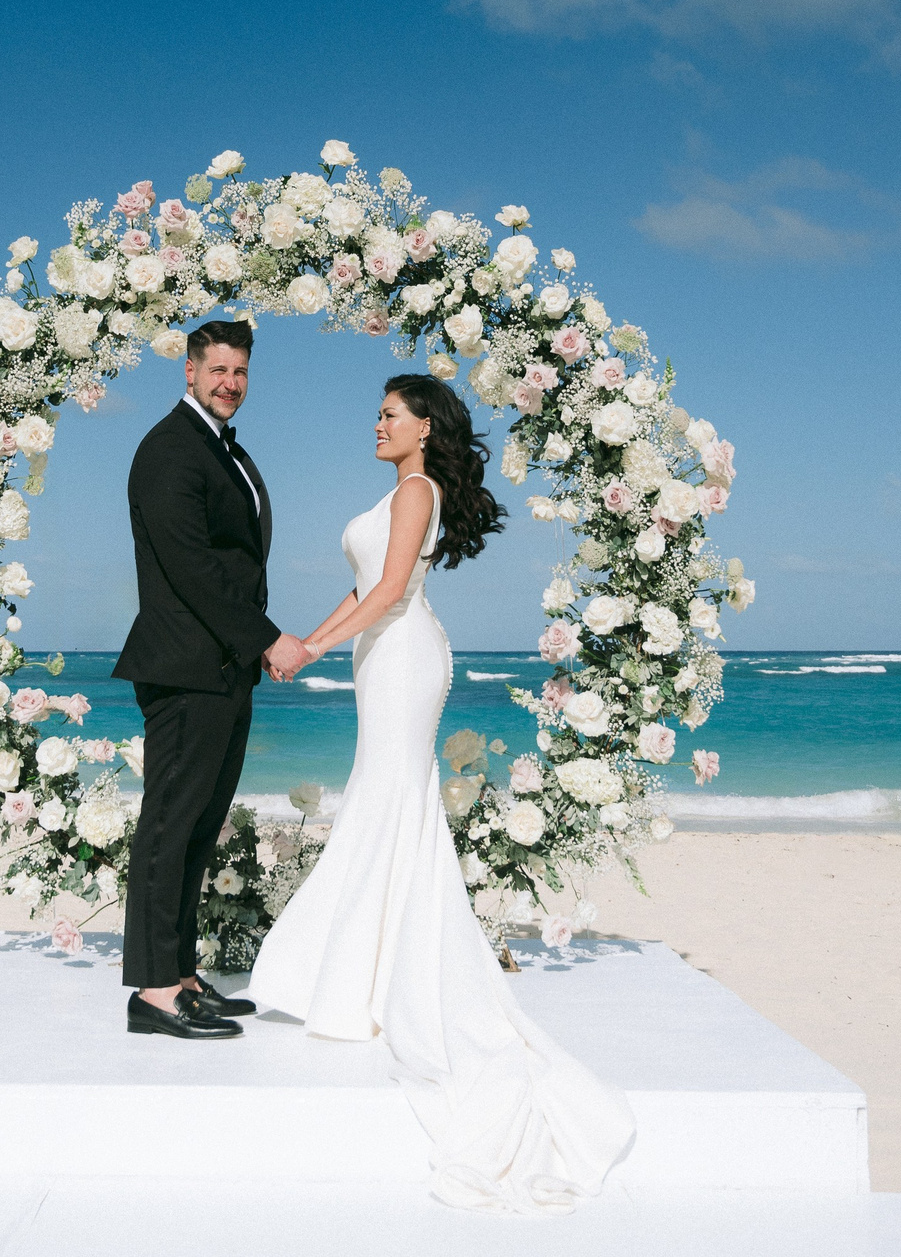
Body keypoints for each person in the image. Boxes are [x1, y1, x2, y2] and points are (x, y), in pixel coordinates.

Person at [245, 374, 636, 1212]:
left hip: (404, 656)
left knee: (389, 798)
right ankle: (363, 973)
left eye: (390, 412)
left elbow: (391, 593)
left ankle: (365, 979)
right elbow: (367, 590)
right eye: (377, 409)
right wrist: (306, 640)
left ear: (425, 427)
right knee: (384, 799)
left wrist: (309, 652)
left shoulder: (418, 489)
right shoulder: (399, 493)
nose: (376, 422)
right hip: (380, 654)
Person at [111, 319, 311, 1040]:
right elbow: (192, 566)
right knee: (169, 824)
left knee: (197, 828)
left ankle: (182, 974)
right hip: (184, 667)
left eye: (241, 372)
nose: (231, 382)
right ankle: (154, 992)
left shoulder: (221, 448)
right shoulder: (169, 449)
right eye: (218, 369)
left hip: (221, 668)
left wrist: (248, 647)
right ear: (189, 371)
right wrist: (268, 637)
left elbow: (232, 563)